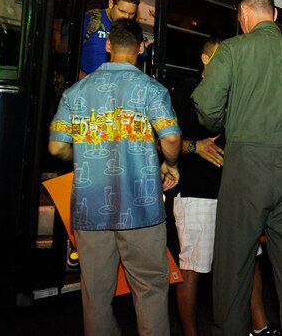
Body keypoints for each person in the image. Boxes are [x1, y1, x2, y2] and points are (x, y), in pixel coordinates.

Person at [191, 0, 282, 336]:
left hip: (245, 167)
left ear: (244, 14)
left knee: (234, 266)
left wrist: (230, 120)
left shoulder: (232, 50)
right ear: (275, 14)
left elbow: (207, 110)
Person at [48, 17, 182, 336]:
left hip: (90, 210)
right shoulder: (152, 90)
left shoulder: (76, 92)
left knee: (96, 299)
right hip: (142, 209)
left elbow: (56, 148)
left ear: (108, 46)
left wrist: (76, 156)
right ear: (141, 49)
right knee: (149, 290)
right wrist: (171, 164)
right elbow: (172, 139)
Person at [170, 36, 281, 336]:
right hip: (196, 194)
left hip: (235, 192)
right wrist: (195, 147)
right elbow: (165, 140)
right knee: (193, 267)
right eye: (221, 58)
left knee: (250, 259)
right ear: (205, 60)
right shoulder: (186, 91)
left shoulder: (236, 94)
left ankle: (260, 327)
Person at [79, 0, 140, 78]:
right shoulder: (88, 19)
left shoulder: (132, 29)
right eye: (122, 11)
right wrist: (84, 80)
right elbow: (67, 54)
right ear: (111, 3)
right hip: (86, 85)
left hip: (117, 88)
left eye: (132, 14)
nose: (126, 17)